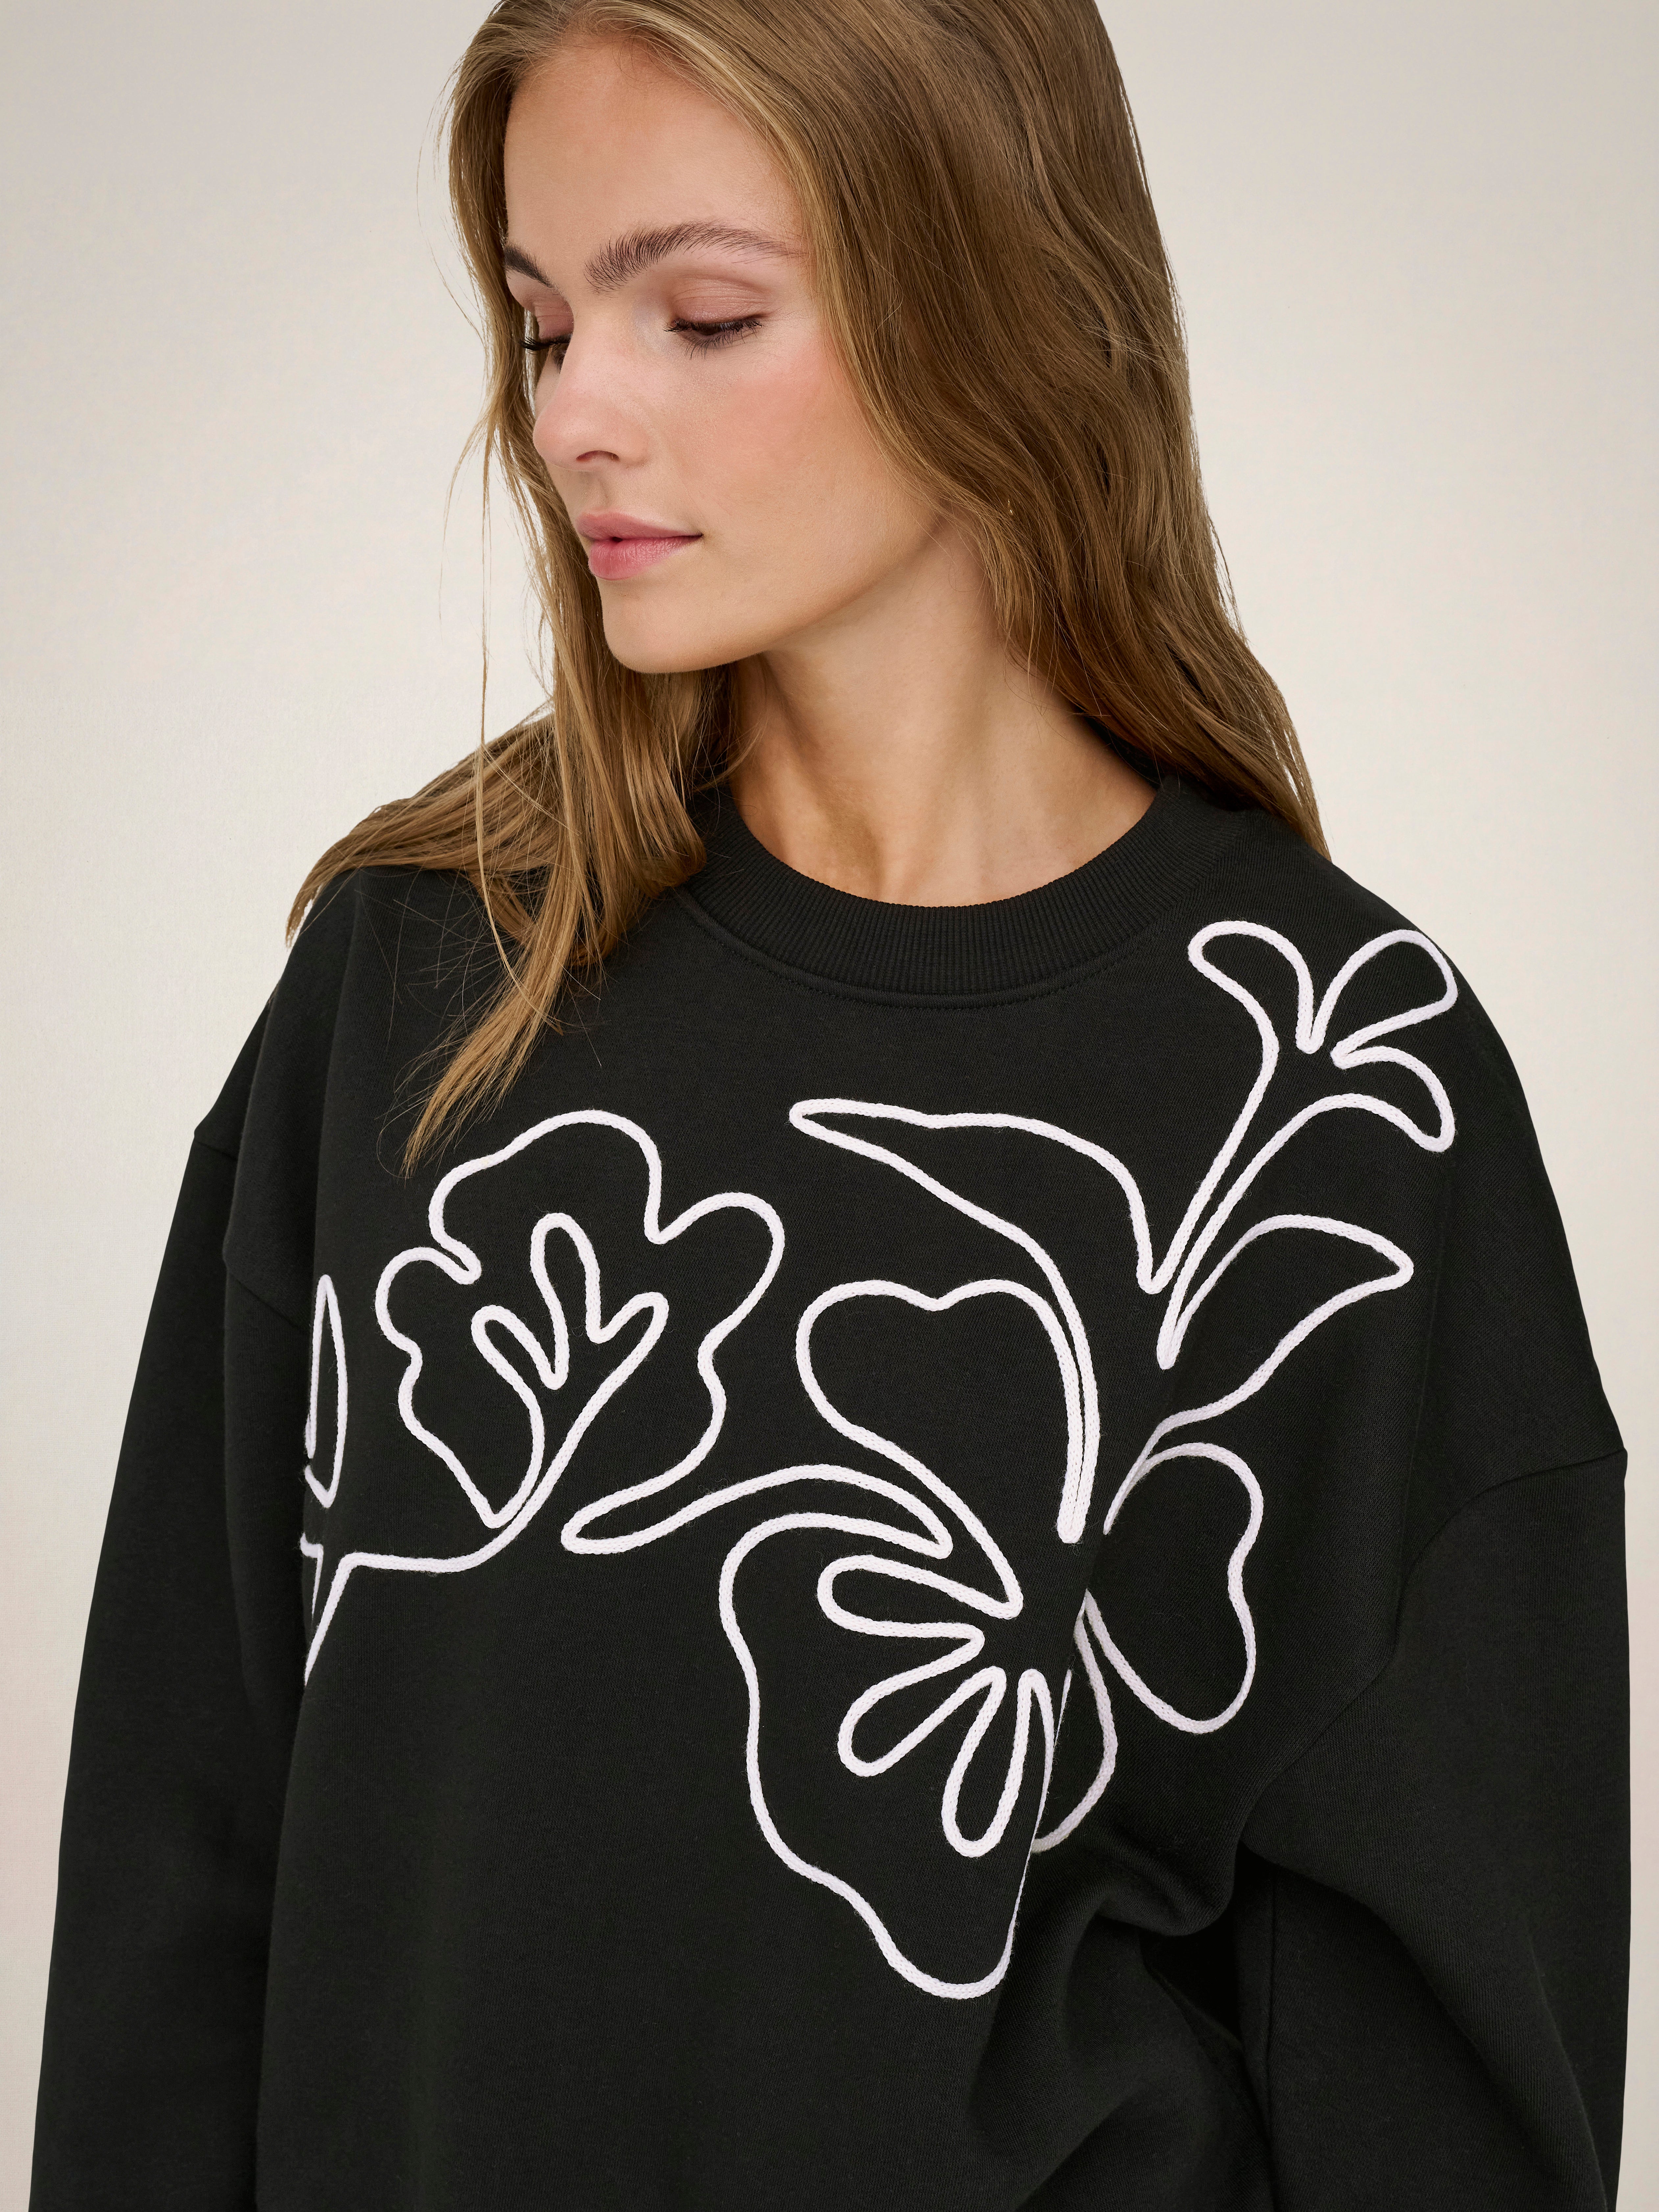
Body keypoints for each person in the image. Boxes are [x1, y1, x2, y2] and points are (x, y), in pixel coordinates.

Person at [29, 2, 1628, 2206]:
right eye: (540, 322)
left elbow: (1443, 2081)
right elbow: (175, 1892)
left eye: (700, 316)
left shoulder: (1341, 1084)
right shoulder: (419, 990)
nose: (571, 415)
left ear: (1000, 295)